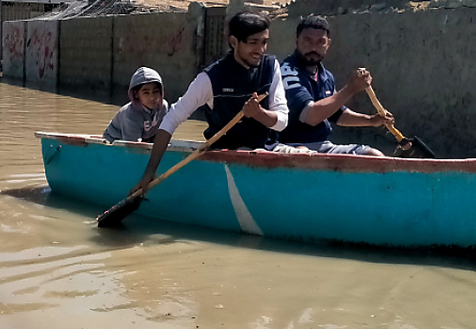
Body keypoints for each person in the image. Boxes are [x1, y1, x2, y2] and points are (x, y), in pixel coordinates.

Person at [131, 11, 288, 195]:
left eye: (264, 42)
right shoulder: (211, 78)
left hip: (268, 148)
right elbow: (171, 119)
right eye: (253, 43)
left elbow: (282, 122)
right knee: (258, 155)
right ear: (234, 42)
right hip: (232, 152)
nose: (260, 50)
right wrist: (150, 171)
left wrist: (259, 114)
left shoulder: (271, 67)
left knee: (301, 151)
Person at [279, 15, 393, 156]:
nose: (314, 47)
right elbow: (310, 116)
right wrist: (351, 88)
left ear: (328, 44)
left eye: (320, 42)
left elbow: (335, 113)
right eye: (307, 41)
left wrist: (371, 120)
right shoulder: (287, 72)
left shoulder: (326, 76)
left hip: (322, 145)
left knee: (374, 156)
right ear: (297, 42)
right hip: (290, 146)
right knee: (303, 155)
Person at [103, 66, 169, 143]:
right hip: (116, 139)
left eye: (156, 91)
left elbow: (161, 133)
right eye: (146, 93)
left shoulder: (163, 107)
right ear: (136, 94)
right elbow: (132, 146)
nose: (152, 97)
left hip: (145, 137)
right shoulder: (131, 114)